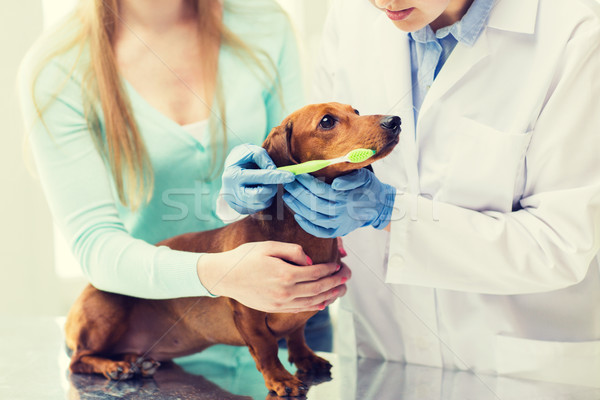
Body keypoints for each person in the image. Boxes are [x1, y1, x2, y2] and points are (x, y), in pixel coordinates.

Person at [221, 0, 600, 387]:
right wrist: (263, 186)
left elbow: (562, 243)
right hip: (381, 357)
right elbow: (320, 153)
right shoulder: (352, 16)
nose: (384, 2)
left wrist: (390, 212)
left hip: (519, 371)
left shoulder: (573, 34)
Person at [17, 0, 351, 352]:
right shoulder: (58, 69)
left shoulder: (264, 24)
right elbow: (95, 246)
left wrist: (335, 208)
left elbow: (304, 167)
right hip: (153, 342)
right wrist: (220, 274)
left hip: (292, 316)